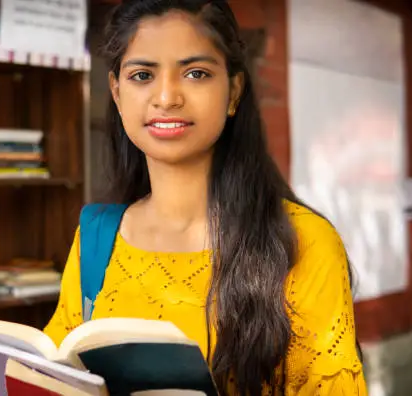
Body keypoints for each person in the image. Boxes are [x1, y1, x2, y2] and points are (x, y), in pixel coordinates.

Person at [44, 1, 367, 395]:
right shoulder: (96, 238)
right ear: (116, 92)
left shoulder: (303, 243)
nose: (166, 98)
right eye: (142, 75)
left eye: (196, 73)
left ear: (233, 91)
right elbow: (55, 372)